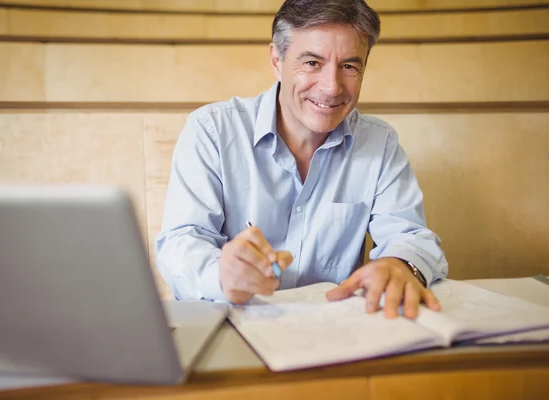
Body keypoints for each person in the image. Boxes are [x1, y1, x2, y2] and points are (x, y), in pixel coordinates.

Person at [155, 0, 448, 319]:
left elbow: (410, 236)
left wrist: (400, 264)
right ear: (276, 60)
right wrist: (220, 275)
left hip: (337, 336)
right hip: (233, 326)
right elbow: (181, 245)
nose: (331, 87)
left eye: (349, 66)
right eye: (312, 63)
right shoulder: (212, 130)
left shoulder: (380, 142)